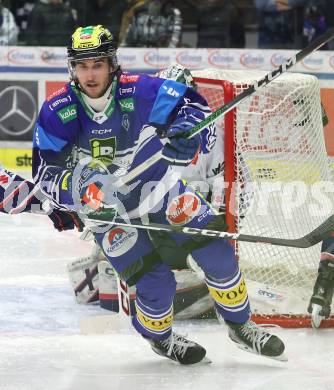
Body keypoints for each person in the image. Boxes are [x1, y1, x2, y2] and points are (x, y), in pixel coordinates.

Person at [32, 24, 286, 364]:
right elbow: (45, 175)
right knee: (156, 284)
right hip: (110, 215)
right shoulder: (56, 110)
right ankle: (161, 338)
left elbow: (190, 104)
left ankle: (241, 327)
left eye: (97, 64)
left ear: (111, 64)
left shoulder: (139, 90)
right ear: (72, 68)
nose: (90, 74)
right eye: (82, 65)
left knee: (219, 254)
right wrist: (81, 192)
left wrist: (186, 133)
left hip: (159, 191)